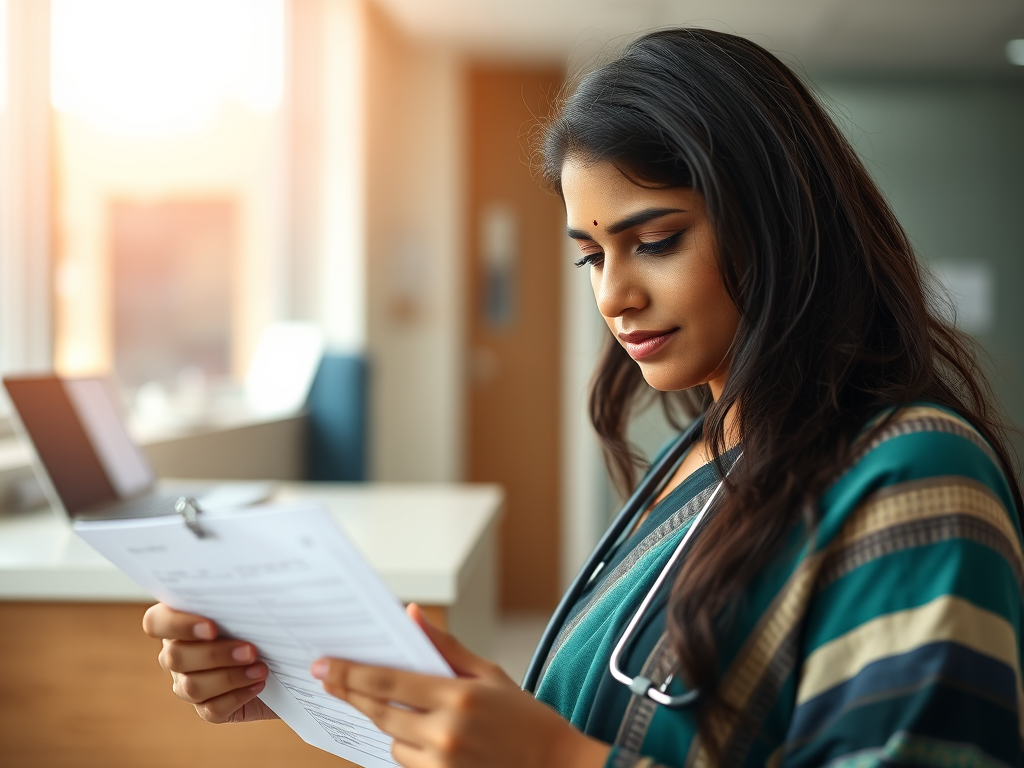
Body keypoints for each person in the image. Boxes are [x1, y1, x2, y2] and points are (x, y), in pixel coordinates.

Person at [142, 28, 1024, 768]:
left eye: (658, 240)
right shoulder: (707, 457)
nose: (612, 297)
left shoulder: (917, 479)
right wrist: (343, 688)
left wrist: (554, 761)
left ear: (782, 220)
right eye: (592, 257)